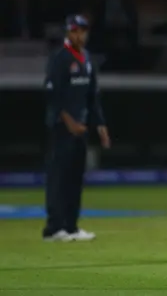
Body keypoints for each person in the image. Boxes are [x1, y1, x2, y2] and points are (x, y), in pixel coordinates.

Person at [43, 14, 111, 241]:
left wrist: (100, 124)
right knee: (59, 178)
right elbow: (53, 94)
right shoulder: (60, 58)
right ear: (68, 33)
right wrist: (69, 122)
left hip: (81, 129)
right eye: (74, 31)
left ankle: (71, 226)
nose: (79, 35)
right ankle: (54, 228)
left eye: (82, 30)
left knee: (75, 179)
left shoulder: (87, 59)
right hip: (62, 129)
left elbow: (93, 95)